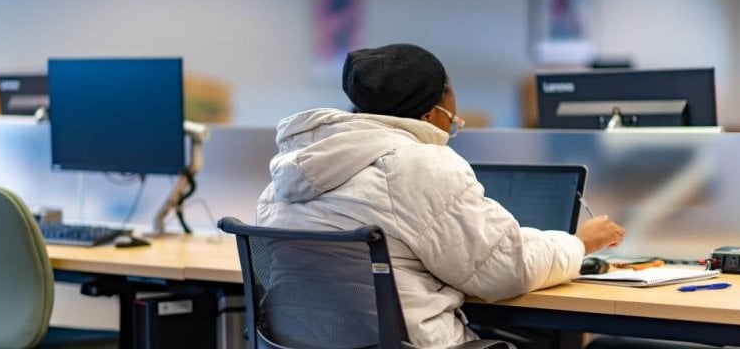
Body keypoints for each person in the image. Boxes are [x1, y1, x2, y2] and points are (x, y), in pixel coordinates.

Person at [256, 43, 625, 348]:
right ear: (431, 113)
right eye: (452, 112)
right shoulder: (420, 164)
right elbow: (504, 270)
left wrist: (537, 240)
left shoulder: (289, 173)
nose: (453, 122)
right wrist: (578, 245)